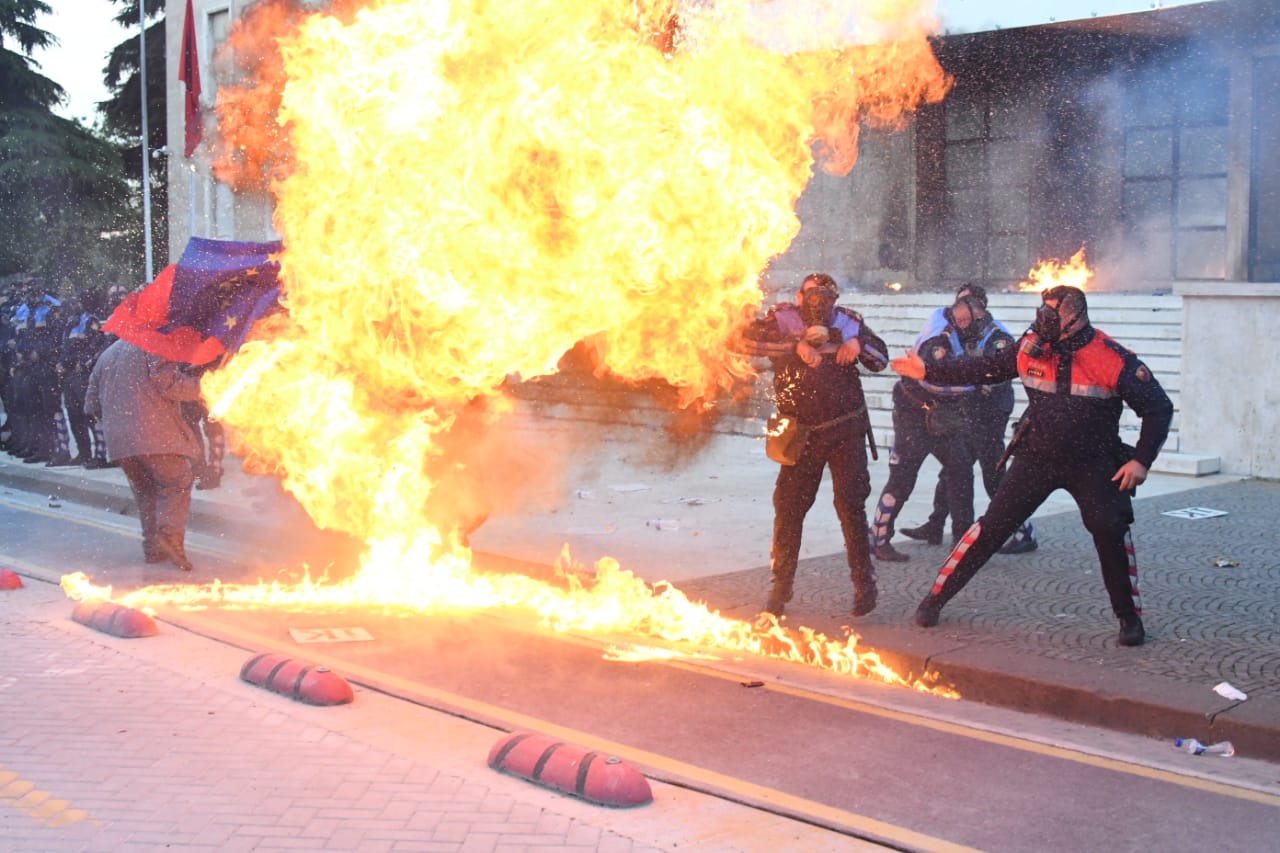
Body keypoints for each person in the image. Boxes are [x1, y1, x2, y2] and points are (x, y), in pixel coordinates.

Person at [891, 285, 1173, 646]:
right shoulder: (1029, 346)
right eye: (1042, 312)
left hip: (1094, 462)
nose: (1042, 321)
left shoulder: (1111, 357)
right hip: (1037, 457)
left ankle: (1128, 619)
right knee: (991, 527)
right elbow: (984, 368)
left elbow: (1158, 408)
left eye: (1051, 315)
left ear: (1075, 317)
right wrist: (929, 369)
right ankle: (935, 599)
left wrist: (1141, 460)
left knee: (1110, 529)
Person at [737, 273, 888, 618]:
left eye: (826, 296)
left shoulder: (849, 323)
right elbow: (744, 342)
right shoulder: (782, 319)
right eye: (812, 295)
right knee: (789, 508)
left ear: (834, 299)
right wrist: (795, 346)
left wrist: (856, 346)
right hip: (800, 433)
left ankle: (864, 584)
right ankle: (781, 586)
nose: (818, 302)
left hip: (845, 429)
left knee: (850, 505)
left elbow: (880, 359)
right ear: (800, 296)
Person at [866, 290, 1008, 562]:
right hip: (915, 412)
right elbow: (938, 380)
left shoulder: (974, 327)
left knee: (961, 470)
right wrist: (979, 380)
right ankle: (880, 537)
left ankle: (963, 542)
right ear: (960, 312)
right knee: (903, 477)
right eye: (971, 315)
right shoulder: (938, 338)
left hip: (947, 415)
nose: (975, 322)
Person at [899, 285, 1038, 554]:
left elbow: (995, 371)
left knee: (992, 472)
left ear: (981, 307)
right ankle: (936, 523)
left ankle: (1023, 532)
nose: (960, 314)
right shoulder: (955, 331)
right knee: (955, 467)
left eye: (968, 306)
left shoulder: (997, 335)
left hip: (990, 411)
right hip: (970, 409)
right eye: (959, 306)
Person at [84, 338, 205, 571]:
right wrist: (206, 387)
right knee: (176, 483)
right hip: (156, 435)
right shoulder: (153, 346)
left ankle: (152, 548)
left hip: (120, 443)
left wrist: (117, 422)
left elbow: (91, 405)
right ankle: (169, 538)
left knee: (146, 492)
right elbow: (170, 384)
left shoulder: (107, 354)